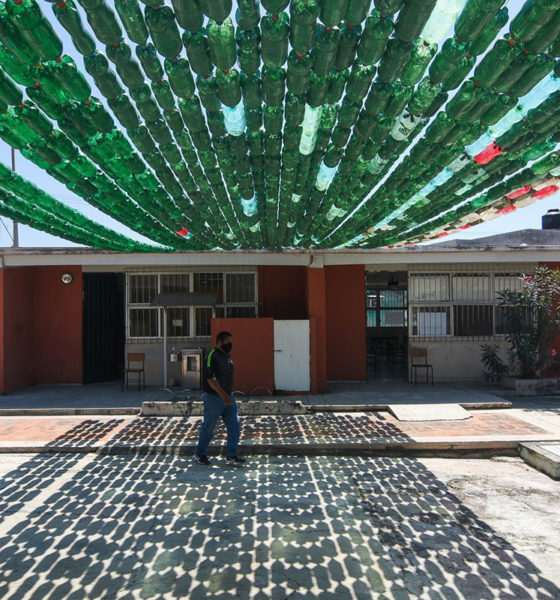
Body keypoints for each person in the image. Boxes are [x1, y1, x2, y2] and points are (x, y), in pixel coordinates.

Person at [194, 331, 245, 466]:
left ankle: (232, 455)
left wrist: (228, 395)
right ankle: (200, 453)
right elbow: (210, 379)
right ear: (219, 342)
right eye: (228, 341)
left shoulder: (227, 355)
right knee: (209, 427)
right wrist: (223, 395)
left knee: (234, 425)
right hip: (214, 399)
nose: (230, 344)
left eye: (231, 341)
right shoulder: (212, 356)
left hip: (229, 397)